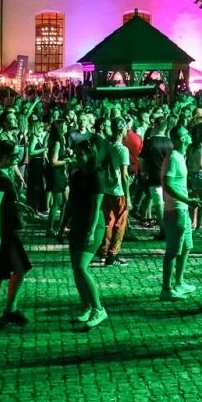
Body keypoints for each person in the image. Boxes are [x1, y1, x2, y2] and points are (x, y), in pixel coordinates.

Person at [0, 139, 32, 330]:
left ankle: (10, 309)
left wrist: (18, 205)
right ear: (3, 156)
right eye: (13, 155)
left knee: (20, 268)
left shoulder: (3, 174)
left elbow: (3, 203)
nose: (17, 158)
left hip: (8, 231)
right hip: (1, 232)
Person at [66, 125, 108, 329]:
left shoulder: (96, 175)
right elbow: (70, 202)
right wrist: (62, 224)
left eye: (81, 154)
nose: (78, 157)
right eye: (77, 153)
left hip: (93, 224)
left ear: (90, 155)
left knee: (82, 267)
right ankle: (86, 306)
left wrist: (91, 231)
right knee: (76, 268)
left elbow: (96, 207)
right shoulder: (76, 175)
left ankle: (98, 308)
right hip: (77, 222)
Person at [159, 121, 197, 301]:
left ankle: (179, 282)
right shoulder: (173, 157)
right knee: (173, 251)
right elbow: (167, 184)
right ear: (182, 138)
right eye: (187, 134)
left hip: (183, 209)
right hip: (176, 209)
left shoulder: (180, 156)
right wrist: (186, 200)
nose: (190, 136)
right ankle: (166, 289)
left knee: (187, 246)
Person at [95, 119, 132, 267]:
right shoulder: (122, 149)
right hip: (118, 191)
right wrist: (128, 197)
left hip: (106, 189)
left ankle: (103, 252)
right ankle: (113, 254)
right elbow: (124, 175)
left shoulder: (106, 145)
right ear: (121, 130)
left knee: (108, 222)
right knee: (119, 224)